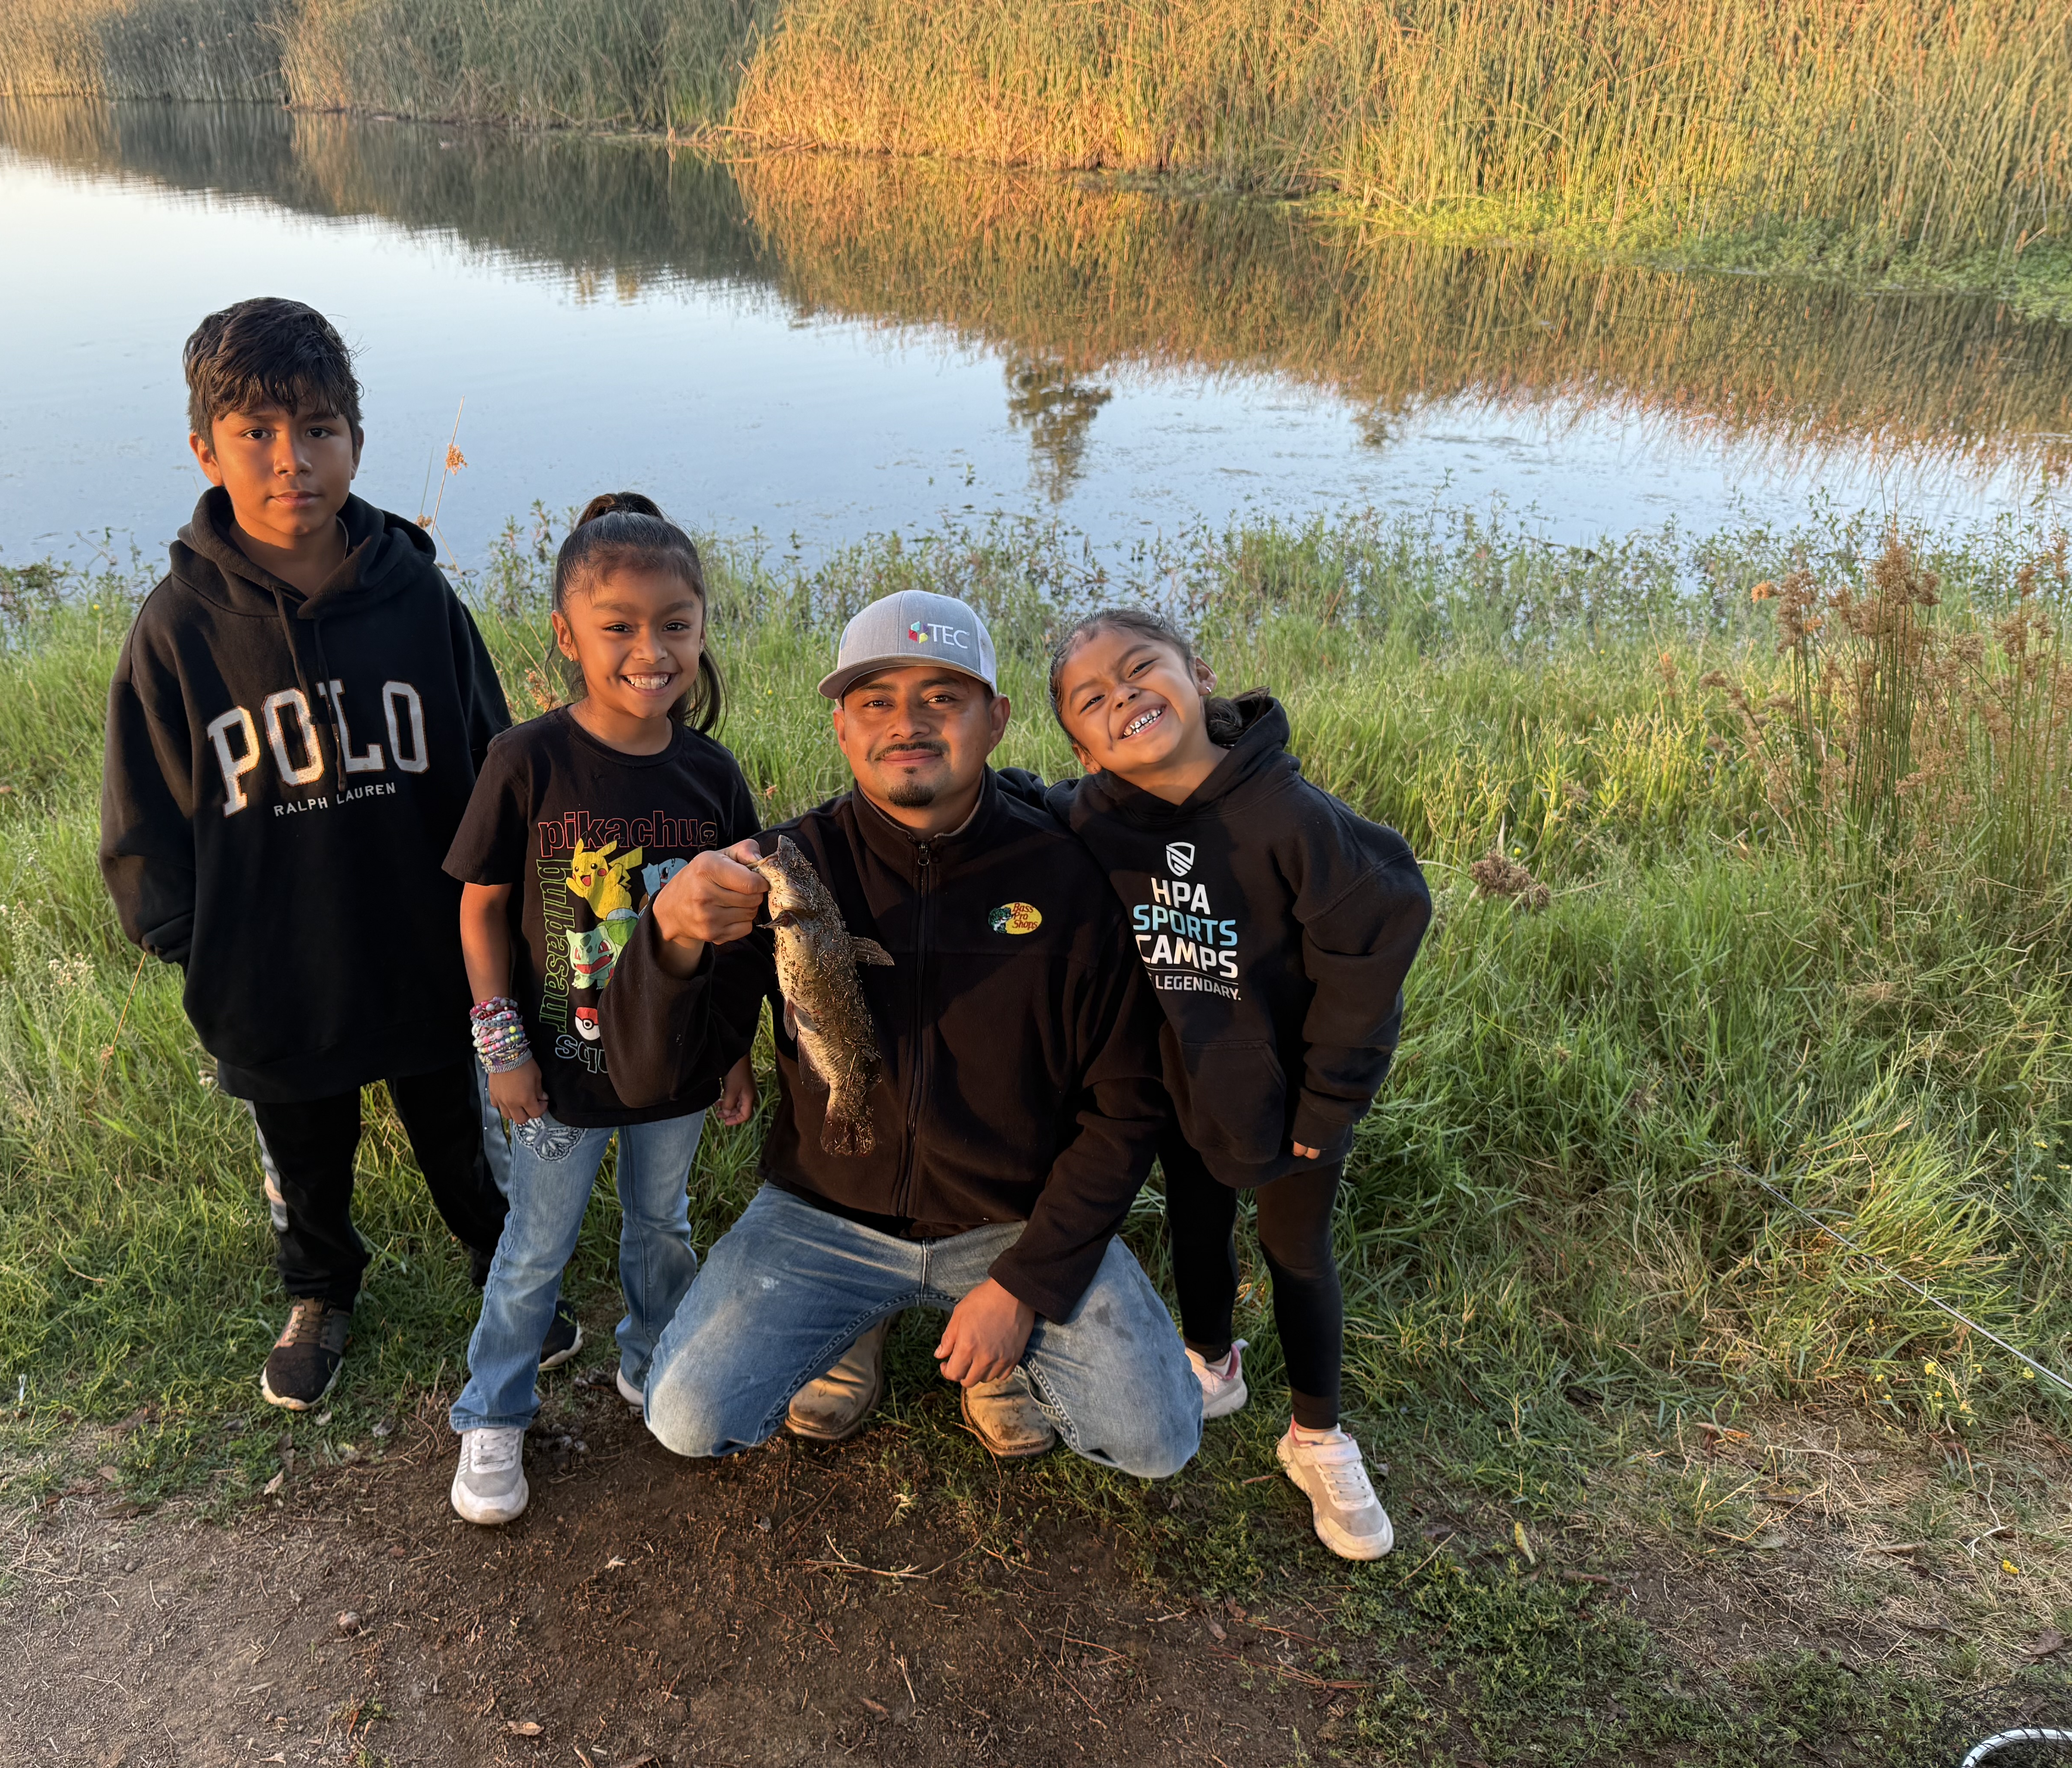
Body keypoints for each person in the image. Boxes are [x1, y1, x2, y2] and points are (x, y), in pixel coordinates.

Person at [601, 590, 1201, 1480]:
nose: (907, 724)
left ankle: (1000, 1347)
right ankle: (854, 1323)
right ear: (842, 728)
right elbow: (648, 1080)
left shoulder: (1070, 879)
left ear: (996, 721)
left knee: (1158, 1438)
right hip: (824, 1210)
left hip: (1015, 1218)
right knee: (686, 1414)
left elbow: (1127, 1109)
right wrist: (669, 940)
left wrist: (1026, 1285)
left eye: (942, 698)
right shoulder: (783, 867)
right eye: (876, 701)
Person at [99, 296, 512, 1414]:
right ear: (207, 450)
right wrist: (193, 944)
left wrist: (500, 900)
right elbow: (142, 806)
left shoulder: (417, 597)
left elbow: (492, 758)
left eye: (320, 429)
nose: (294, 461)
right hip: (272, 964)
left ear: (356, 443)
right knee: (304, 1151)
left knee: (461, 1134)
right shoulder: (178, 627)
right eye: (259, 435)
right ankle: (322, 1291)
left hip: (423, 943)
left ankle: (501, 1262)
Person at [1043, 608, 1430, 1560]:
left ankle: (1318, 1435)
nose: (1124, 696)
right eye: (1092, 699)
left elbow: (1380, 930)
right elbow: (1027, 807)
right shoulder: (1099, 814)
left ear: (1200, 673)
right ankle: (1213, 1364)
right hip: (1181, 1076)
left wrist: (1332, 1100)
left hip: (1296, 1094)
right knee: (1196, 1219)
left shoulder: (1288, 817)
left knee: (1296, 1249)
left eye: (1141, 669)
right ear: (1085, 749)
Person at [441, 494, 761, 1525]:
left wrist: (736, 1053)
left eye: (675, 624)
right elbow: (480, 909)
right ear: (567, 633)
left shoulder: (712, 774)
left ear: (702, 630)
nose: (650, 651)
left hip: (677, 1070)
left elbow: (741, 926)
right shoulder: (525, 760)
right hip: (555, 1072)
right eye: (618, 625)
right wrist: (501, 1048)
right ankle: (495, 1408)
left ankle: (652, 1354)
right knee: (535, 1246)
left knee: (662, 1223)